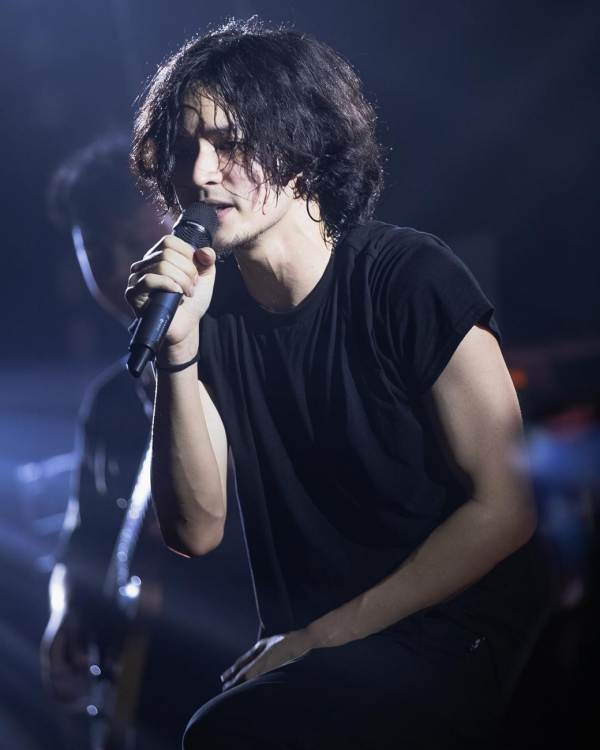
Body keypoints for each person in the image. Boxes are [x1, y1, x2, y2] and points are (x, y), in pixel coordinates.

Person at [126, 18, 553, 749]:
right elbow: (194, 532)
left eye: (228, 143)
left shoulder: (408, 278)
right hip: (319, 655)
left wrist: (322, 637)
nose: (199, 172)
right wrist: (179, 349)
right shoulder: (206, 318)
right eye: (184, 148)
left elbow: (508, 506)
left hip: (456, 632)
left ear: (300, 147)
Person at [40, 135, 255, 749]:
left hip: (239, 681)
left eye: (132, 240)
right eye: (95, 250)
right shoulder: (110, 402)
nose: (118, 268)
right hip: (137, 691)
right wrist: (64, 608)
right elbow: (83, 533)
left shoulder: (247, 360)